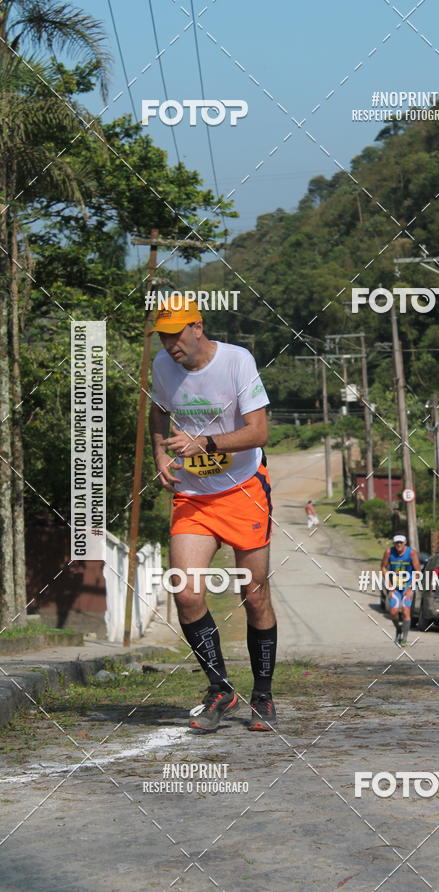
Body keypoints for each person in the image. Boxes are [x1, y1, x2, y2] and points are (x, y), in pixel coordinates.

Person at [149, 295, 277, 733]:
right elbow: (158, 411)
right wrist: (160, 453)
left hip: (243, 489)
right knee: (186, 593)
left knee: (253, 595)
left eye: (176, 334)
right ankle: (220, 689)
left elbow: (259, 431)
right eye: (163, 337)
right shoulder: (162, 366)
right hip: (194, 494)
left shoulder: (237, 361)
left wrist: (204, 443)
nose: (170, 345)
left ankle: (263, 695)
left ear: (197, 327)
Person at [380, 534, 420, 645]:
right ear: (394, 543)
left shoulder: (411, 553)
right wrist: (389, 584)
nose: (399, 545)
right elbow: (383, 567)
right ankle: (398, 629)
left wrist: (411, 588)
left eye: (401, 542)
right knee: (393, 612)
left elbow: (418, 571)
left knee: (406, 611)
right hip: (395, 586)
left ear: (405, 543)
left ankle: (404, 639)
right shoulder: (389, 552)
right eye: (397, 543)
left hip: (408, 585)